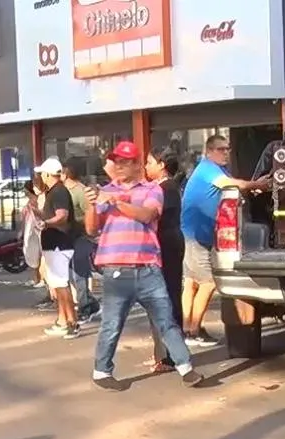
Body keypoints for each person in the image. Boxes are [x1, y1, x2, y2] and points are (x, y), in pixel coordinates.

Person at [84, 141, 203, 391]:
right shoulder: (106, 191)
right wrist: (92, 204)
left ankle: (185, 367)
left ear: (137, 164)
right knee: (112, 323)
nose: (120, 166)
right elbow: (91, 228)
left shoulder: (151, 190)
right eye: (117, 161)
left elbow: (147, 215)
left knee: (166, 319)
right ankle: (101, 371)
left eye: (125, 161)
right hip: (116, 268)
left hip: (148, 267)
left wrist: (115, 201)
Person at [180, 134, 269, 346]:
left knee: (191, 283)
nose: (226, 152)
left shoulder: (216, 169)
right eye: (221, 149)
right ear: (209, 152)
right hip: (195, 234)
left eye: (228, 149)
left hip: (197, 233)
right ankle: (193, 332)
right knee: (208, 282)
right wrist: (257, 183)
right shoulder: (209, 169)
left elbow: (234, 187)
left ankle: (188, 328)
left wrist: (250, 187)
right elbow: (231, 183)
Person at [144, 147, 186, 373]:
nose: (146, 166)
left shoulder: (166, 189)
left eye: (149, 162)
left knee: (167, 298)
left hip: (166, 247)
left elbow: (151, 216)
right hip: (164, 245)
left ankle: (171, 356)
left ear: (161, 164)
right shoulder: (162, 188)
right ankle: (163, 353)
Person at [30, 158, 80, 338]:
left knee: (61, 284)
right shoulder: (55, 192)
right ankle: (62, 319)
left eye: (42, 173)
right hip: (55, 243)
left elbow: (62, 216)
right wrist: (38, 213)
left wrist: (45, 223)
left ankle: (71, 321)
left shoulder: (58, 192)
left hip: (59, 243)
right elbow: (54, 215)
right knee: (58, 284)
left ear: (46, 174)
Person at [61, 158, 101, 323]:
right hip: (69, 236)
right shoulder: (63, 190)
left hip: (83, 237)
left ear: (67, 172)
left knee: (79, 272)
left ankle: (85, 307)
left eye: (62, 171)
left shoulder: (80, 191)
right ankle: (91, 303)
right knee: (70, 273)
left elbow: (89, 214)